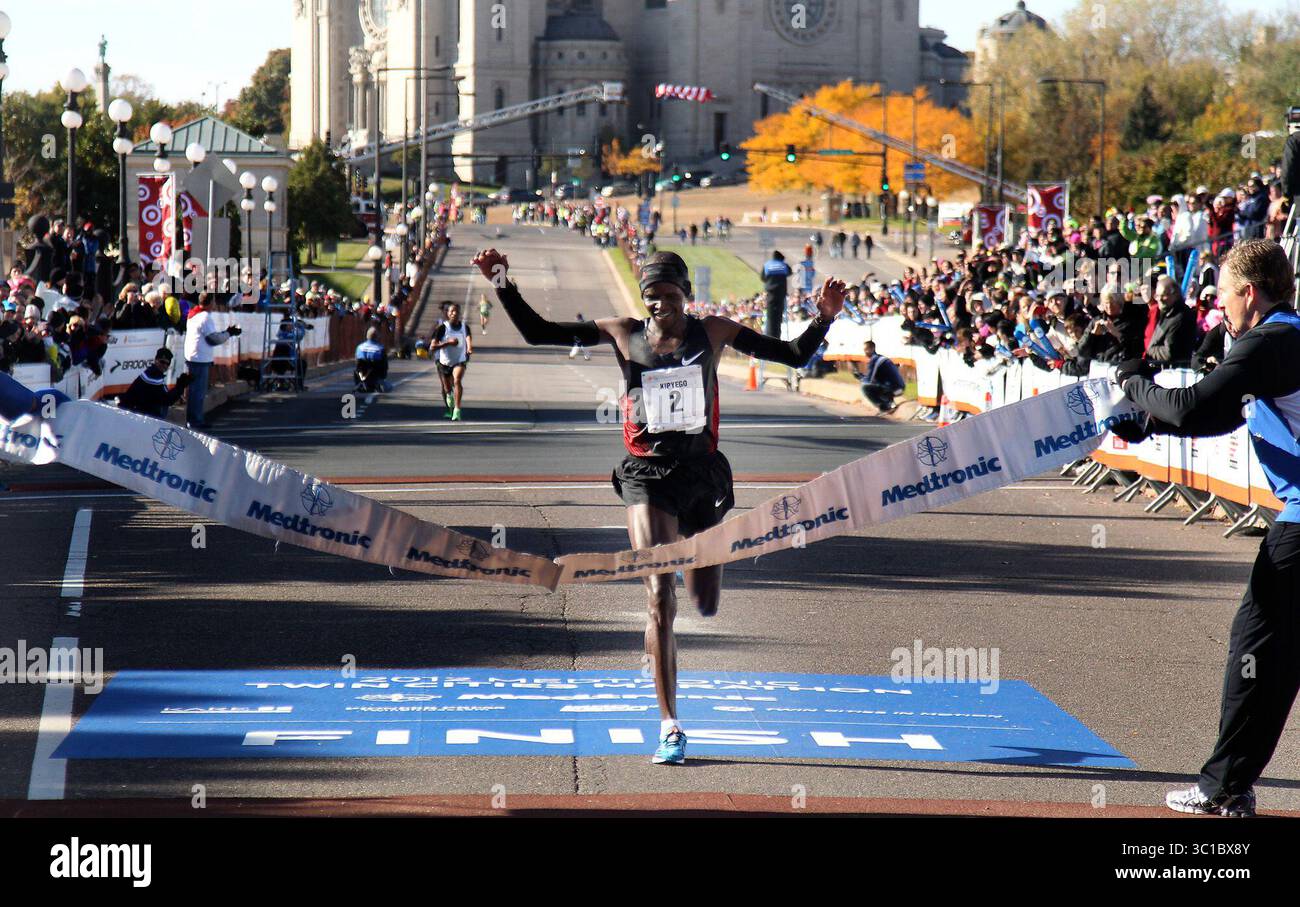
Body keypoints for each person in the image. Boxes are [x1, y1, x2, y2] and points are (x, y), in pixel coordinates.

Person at [474, 247, 845, 765]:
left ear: (686, 296)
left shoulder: (714, 332)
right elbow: (541, 332)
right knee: (659, 594)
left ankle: (680, 610)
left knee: (705, 599)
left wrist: (823, 318)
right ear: (642, 297)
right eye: (652, 296)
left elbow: (791, 355)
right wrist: (502, 281)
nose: (660, 304)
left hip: (702, 475)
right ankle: (670, 724)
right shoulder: (622, 332)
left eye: (670, 295)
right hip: (647, 474)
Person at [1113, 239, 1300, 817]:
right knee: (1274, 656)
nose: (1217, 309)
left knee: (1258, 649)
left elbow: (1193, 407)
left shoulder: (1272, 340)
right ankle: (1231, 784)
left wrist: (1132, 378)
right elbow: (1218, 415)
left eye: (1222, 296)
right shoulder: (1283, 339)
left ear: (1250, 292)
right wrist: (1150, 424)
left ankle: (1224, 788)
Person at [183, 292, 241, 430]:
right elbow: (212, 339)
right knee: (198, 391)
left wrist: (225, 332)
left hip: (193, 356)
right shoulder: (205, 316)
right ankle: (195, 420)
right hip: (200, 358)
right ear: (210, 302)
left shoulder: (194, 314)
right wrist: (229, 334)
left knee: (194, 391)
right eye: (214, 301)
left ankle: (193, 419)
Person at [117, 347, 191, 418]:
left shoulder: (154, 373)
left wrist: (179, 387)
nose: (164, 365)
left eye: (167, 364)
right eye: (162, 362)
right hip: (139, 415)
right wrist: (180, 387)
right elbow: (166, 400)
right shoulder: (152, 376)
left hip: (141, 411)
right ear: (156, 360)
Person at [431, 301, 472, 420]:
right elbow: (432, 346)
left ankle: (457, 409)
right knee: (446, 388)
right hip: (443, 361)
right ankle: (449, 397)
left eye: (456, 311)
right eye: (451, 311)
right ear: (447, 313)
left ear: (459, 313)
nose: (454, 313)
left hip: (459, 360)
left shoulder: (464, 327)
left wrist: (469, 348)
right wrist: (448, 343)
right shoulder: (442, 328)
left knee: (457, 380)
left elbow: (468, 338)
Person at [854, 340, 905, 413]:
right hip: (899, 387)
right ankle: (889, 402)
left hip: (895, 389)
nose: (865, 352)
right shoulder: (881, 358)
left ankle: (884, 407)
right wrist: (863, 376)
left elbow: (869, 380)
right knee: (877, 382)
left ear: (872, 349)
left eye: (866, 350)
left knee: (865, 387)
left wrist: (860, 377)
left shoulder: (875, 360)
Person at [760, 250, 793, 338]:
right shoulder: (783, 265)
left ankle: (770, 335)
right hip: (781, 293)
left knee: (771, 315)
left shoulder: (767, 265)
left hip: (770, 293)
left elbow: (763, 277)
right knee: (779, 315)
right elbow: (790, 272)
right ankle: (777, 335)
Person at [354, 326, 389, 392]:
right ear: (377, 337)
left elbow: (357, 361)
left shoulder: (360, 347)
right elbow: (384, 364)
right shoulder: (380, 348)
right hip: (376, 373)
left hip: (362, 372)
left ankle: (360, 381)